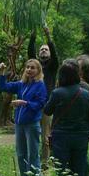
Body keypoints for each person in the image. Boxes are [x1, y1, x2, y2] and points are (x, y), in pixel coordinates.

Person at [43, 59, 89, 176]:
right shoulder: (87, 93)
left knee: (62, 170)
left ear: (61, 76)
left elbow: (47, 111)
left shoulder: (57, 93)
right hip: (81, 137)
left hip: (61, 137)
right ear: (77, 74)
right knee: (79, 169)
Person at [0, 59, 48, 176]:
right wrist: (2, 74)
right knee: (21, 154)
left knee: (33, 155)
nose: (29, 70)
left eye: (32, 68)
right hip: (19, 125)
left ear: (38, 70)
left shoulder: (40, 85)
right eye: (27, 67)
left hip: (32, 125)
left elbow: (41, 103)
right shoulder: (21, 84)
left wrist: (25, 103)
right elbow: (3, 87)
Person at [28, 26, 59, 168]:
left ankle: (45, 161)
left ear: (50, 53)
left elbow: (55, 54)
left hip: (47, 105)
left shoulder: (52, 67)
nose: (43, 50)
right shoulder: (35, 68)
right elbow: (30, 54)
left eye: (46, 49)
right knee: (33, 133)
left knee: (46, 135)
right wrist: (33, 36)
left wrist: (48, 36)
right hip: (34, 104)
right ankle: (33, 158)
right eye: (41, 49)